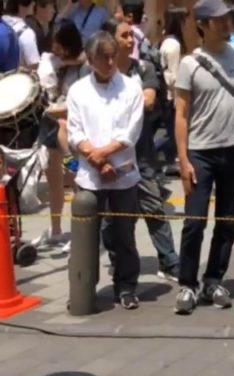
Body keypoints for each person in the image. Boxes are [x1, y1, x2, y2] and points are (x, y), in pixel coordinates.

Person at [173, 0, 234, 315]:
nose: (226, 24)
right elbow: (181, 114)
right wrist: (183, 159)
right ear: (203, 25)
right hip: (200, 151)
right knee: (194, 221)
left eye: (228, 19)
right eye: (218, 20)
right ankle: (187, 283)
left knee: (226, 220)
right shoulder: (190, 64)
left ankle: (214, 279)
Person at [67, 31, 144, 309]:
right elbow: (75, 132)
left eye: (113, 56)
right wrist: (98, 160)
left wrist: (104, 155)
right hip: (91, 175)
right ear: (90, 60)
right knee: (86, 237)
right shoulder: (78, 90)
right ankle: (83, 288)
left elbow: (130, 133)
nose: (110, 63)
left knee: (124, 234)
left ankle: (126, 286)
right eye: (103, 58)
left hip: (123, 172)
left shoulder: (131, 88)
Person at [103, 16, 180, 282]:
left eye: (131, 35)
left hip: (142, 153)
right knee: (112, 215)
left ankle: (169, 261)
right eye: (124, 35)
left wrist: (114, 105)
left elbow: (149, 101)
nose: (130, 39)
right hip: (111, 154)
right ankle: (117, 259)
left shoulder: (144, 68)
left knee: (154, 206)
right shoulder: (101, 75)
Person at [33, 20, 86, 251]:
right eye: (54, 45)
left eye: (61, 46)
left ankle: (83, 232)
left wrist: (73, 61)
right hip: (49, 126)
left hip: (72, 128)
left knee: (77, 182)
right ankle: (55, 230)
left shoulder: (83, 66)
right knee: (54, 181)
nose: (57, 50)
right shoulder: (48, 60)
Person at [158, 6, 186, 174]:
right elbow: (173, 74)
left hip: (166, 93)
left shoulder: (166, 41)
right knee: (173, 132)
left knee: (171, 130)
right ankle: (164, 158)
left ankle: (169, 161)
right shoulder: (174, 45)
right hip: (171, 95)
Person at [3, 0, 41, 69]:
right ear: (21, 5)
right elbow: (33, 65)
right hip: (14, 75)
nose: (34, 3)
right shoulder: (26, 33)